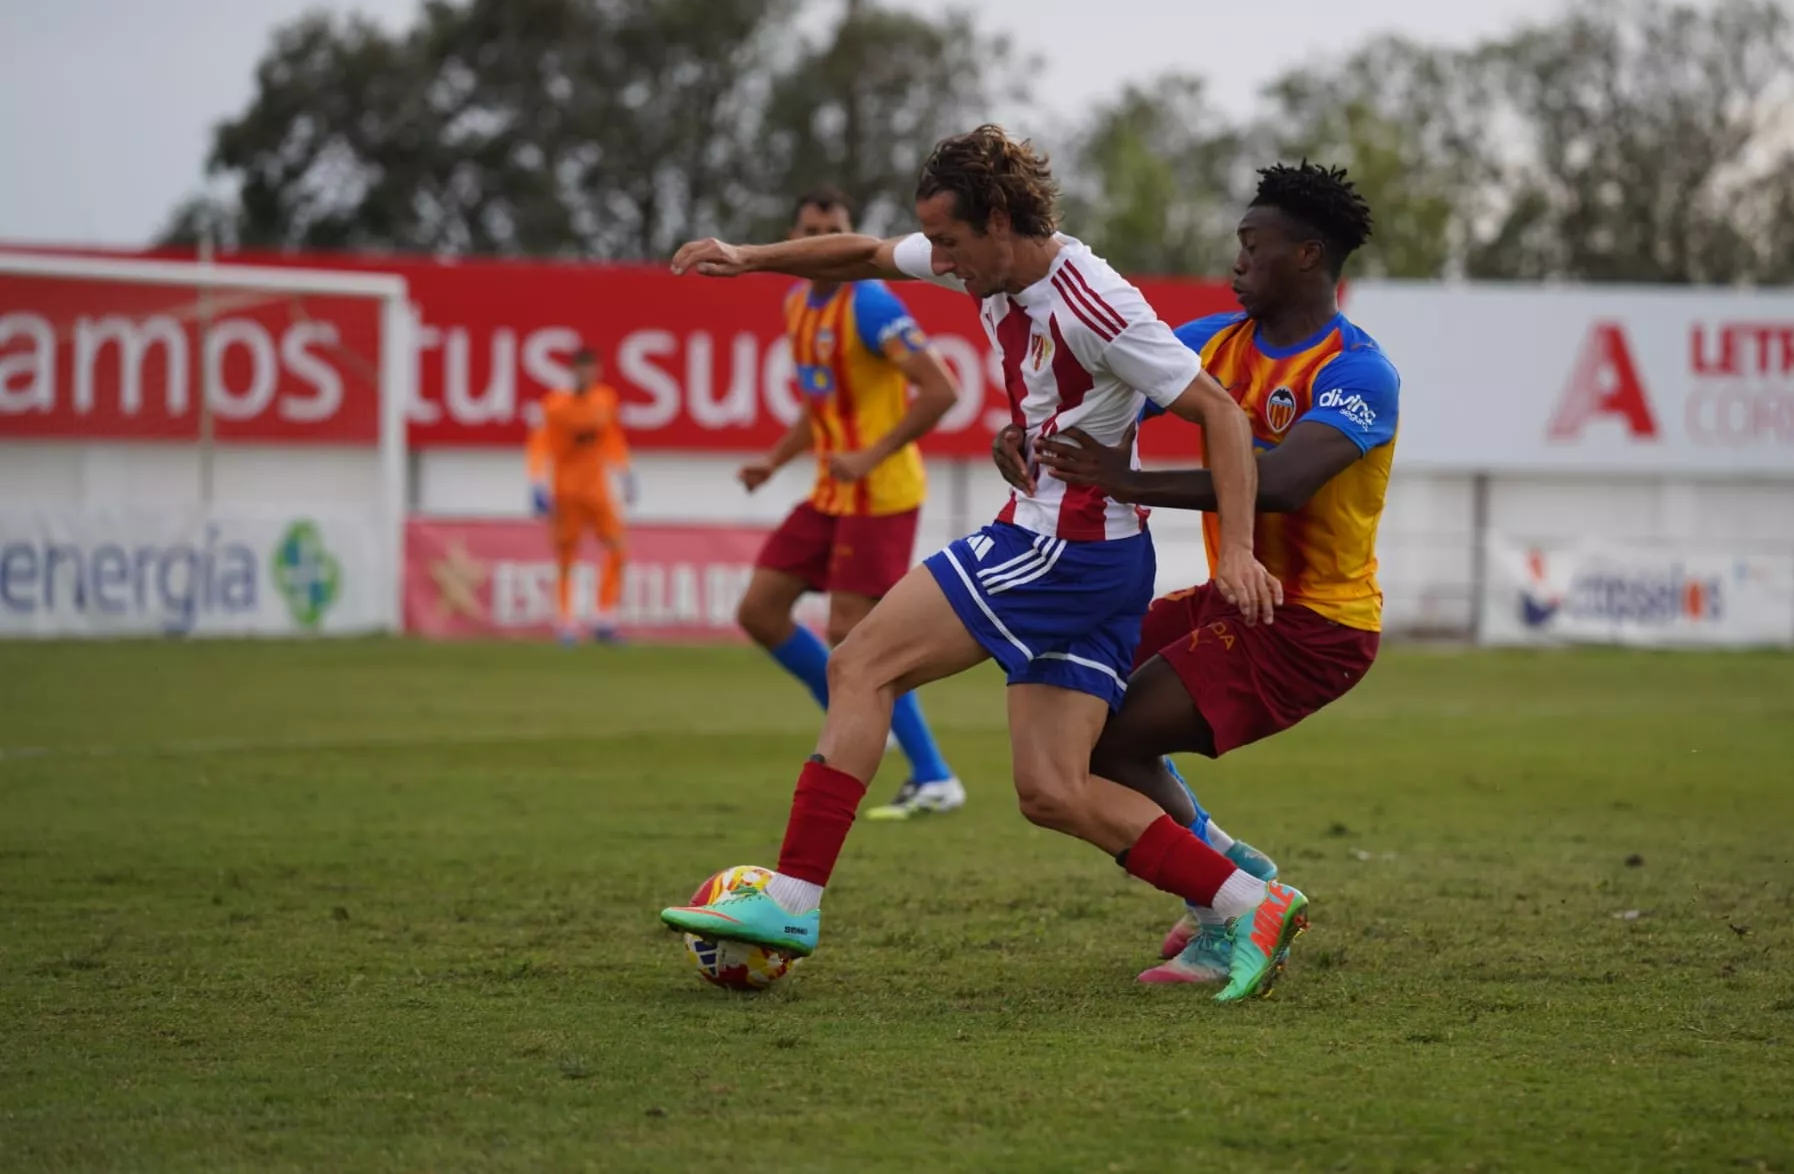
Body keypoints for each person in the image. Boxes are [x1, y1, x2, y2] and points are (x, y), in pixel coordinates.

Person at [661, 125, 1301, 1003]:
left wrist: (1235, 552)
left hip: (1058, 548)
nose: (945, 263)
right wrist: (751, 255)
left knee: (860, 663)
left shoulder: (1096, 300)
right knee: (1052, 788)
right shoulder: (990, 260)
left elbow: (1221, 414)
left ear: (1001, 221)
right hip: (1095, 556)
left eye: (955, 244)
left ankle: (793, 899)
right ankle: (1247, 900)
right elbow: (866, 254)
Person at [998, 161, 1398, 986]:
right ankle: (1231, 872)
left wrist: (1128, 481)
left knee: (1104, 737)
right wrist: (1028, 437)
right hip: (1235, 599)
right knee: (1081, 711)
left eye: (1256, 246)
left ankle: (1231, 906)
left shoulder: (1357, 371)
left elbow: (1281, 483)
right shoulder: (1211, 341)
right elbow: (1098, 399)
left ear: (1309, 256)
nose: (1238, 261)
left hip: (1314, 624)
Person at [735, 189, 966, 818]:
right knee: (760, 609)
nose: (821, 240)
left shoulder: (868, 300)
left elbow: (941, 389)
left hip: (881, 491)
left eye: (833, 229)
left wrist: (871, 454)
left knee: (852, 637)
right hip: (831, 491)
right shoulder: (797, 306)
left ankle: (935, 774)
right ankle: (864, 710)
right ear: (795, 234)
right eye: (811, 230)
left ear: (849, 234)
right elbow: (822, 407)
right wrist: (773, 461)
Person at [526, 347, 635, 645]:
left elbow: (612, 439)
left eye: (592, 370)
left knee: (617, 548)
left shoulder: (605, 399)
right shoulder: (554, 405)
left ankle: (604, 618)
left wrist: (625, 472)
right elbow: (539, 445)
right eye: (582, 370)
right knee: (566, 557)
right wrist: (536, 482)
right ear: (573, 371)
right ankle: (565, 622)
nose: (588, 376)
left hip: (597, 489)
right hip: (565, 491)